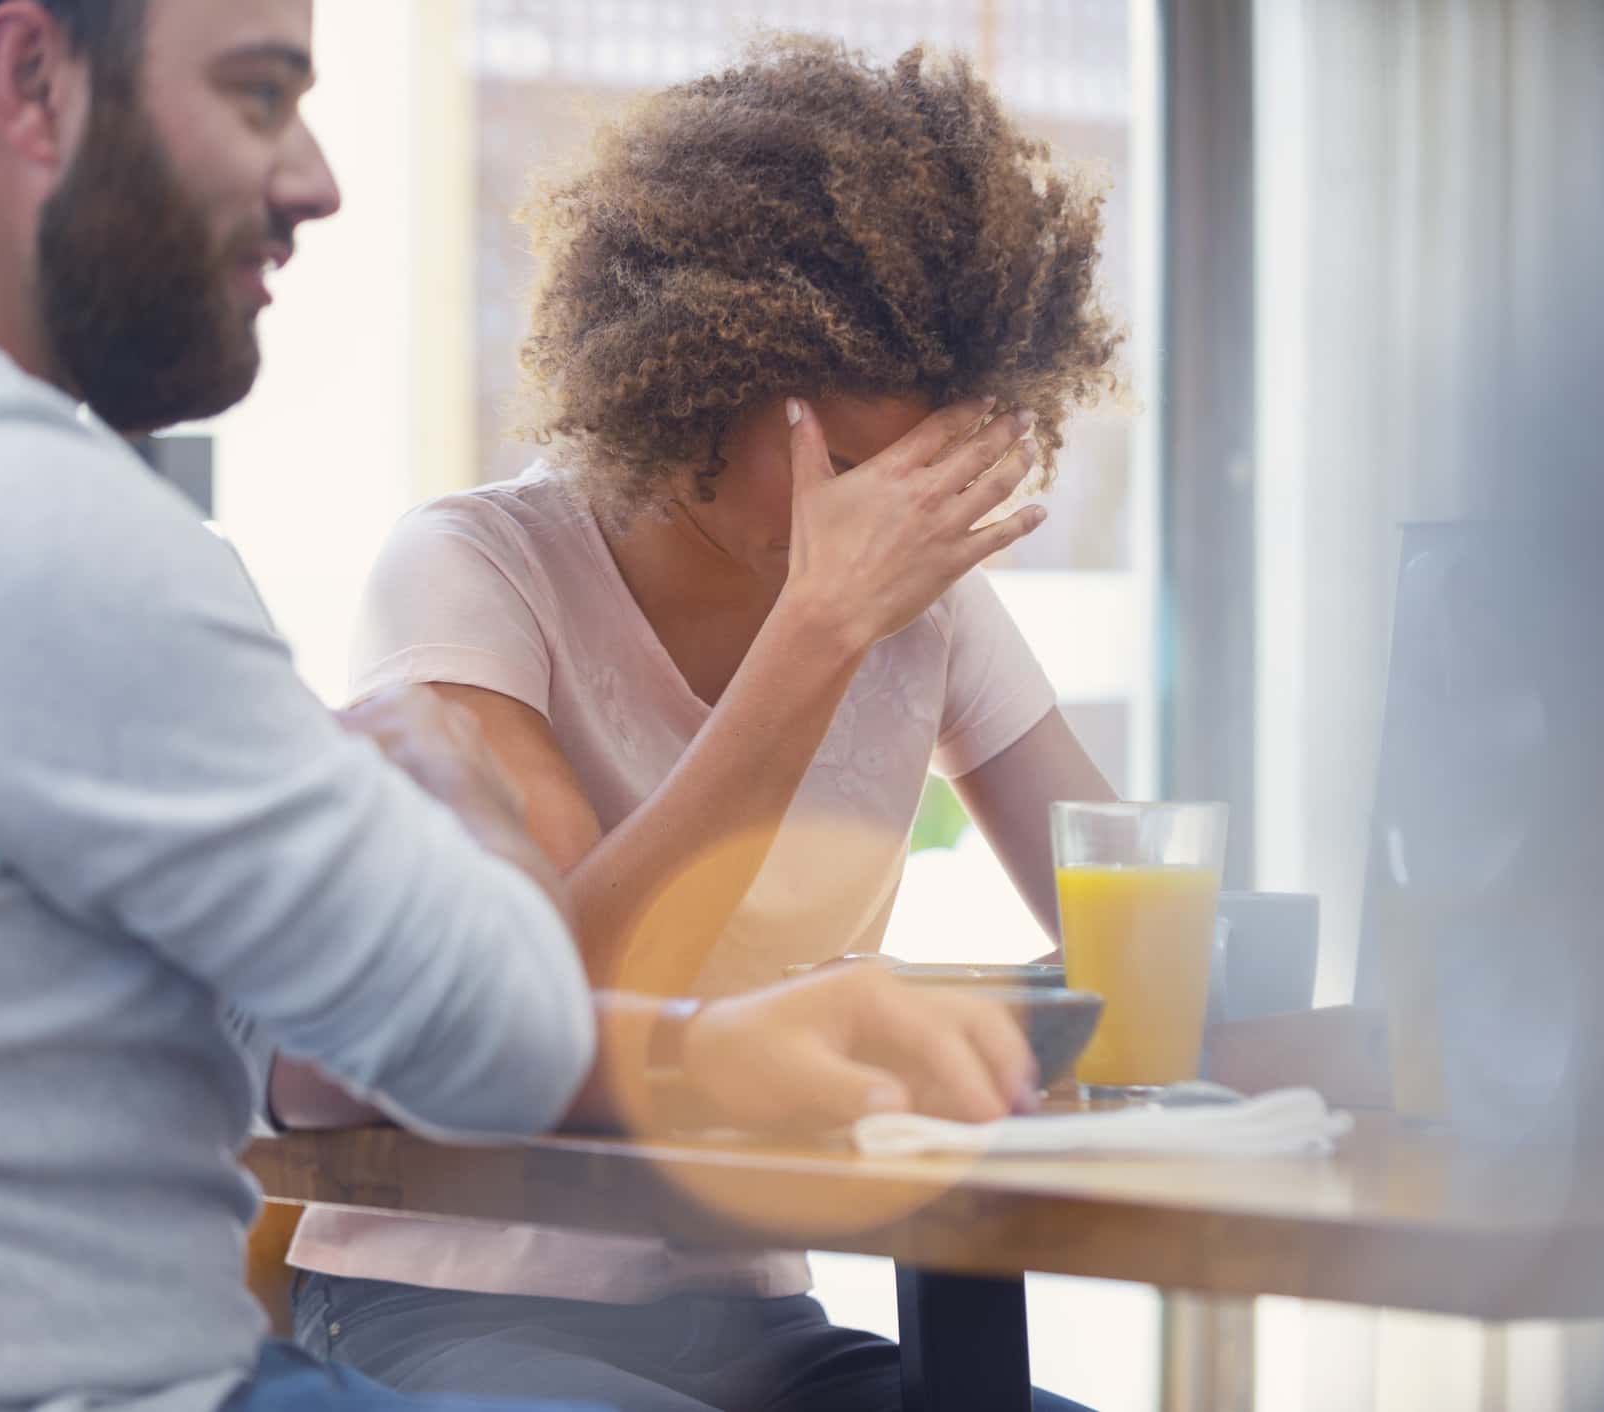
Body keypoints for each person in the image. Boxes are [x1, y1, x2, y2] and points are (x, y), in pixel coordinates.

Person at [0, 5, 1037, 1411]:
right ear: (31, 80)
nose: (315, 179)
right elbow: (489, 1035)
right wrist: (467, 819)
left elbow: (310, 1054)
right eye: (259, 96)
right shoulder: (46, 531)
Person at [277, 37, 1120, 1412]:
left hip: (745, 1328)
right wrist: (813, 637)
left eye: (916, 480)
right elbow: (538, 995)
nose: (880, 526)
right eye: (844, 470)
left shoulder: (925, 607)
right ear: (699, 387)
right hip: (445, 1305)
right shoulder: (473, 570)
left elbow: (1121, 914)